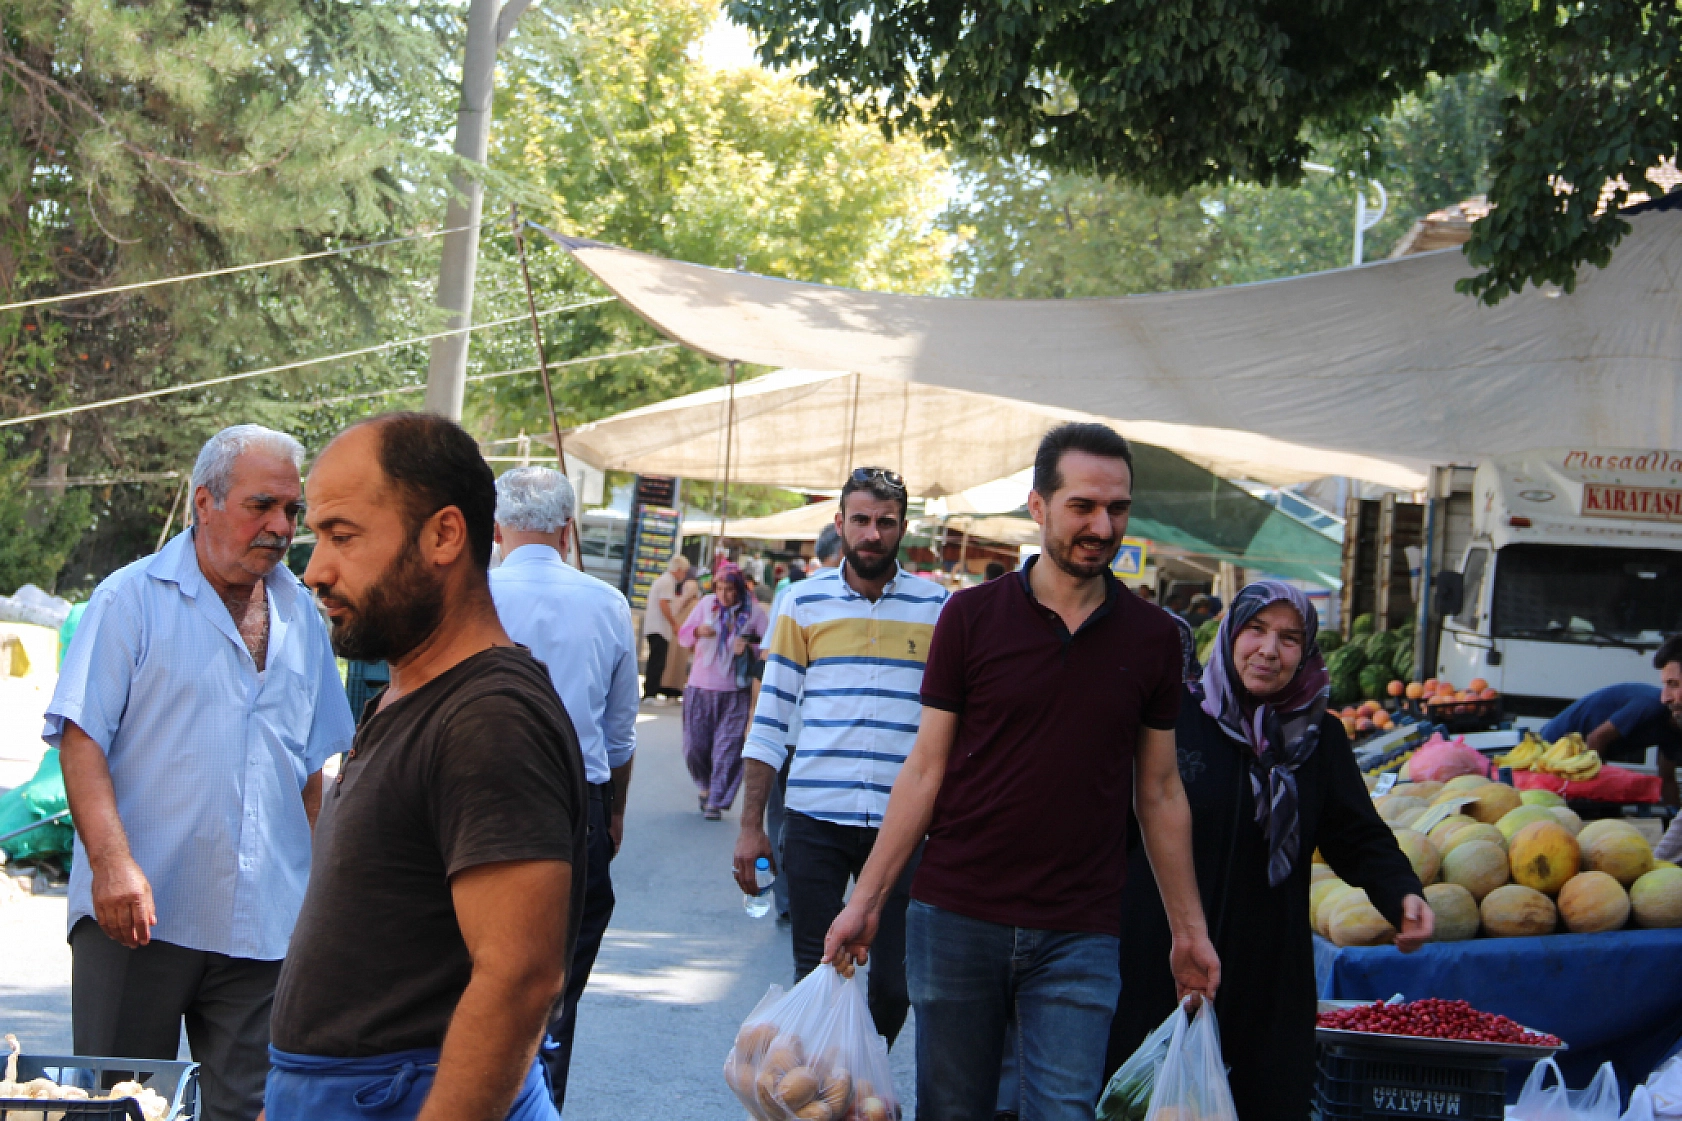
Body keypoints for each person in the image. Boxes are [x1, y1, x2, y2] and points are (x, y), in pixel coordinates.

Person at [824, 423, 1221, 1121]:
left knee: (1064, 1110)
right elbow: (926, 768)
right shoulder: (971, 617)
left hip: (1080, 929)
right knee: (951, 1109)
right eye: (1083, 506)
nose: (1104, 525)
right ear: (1038, 507)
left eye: (1118, 508)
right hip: (955, 915)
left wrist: (1188, 931)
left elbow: (1158, 791)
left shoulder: (1155, 640)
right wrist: (867, 900)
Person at [267, 413, 586, 1121]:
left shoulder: (490, 717)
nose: (315, 569)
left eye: (342, 535)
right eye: (317, 535)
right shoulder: (409, 692)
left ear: (444, 534)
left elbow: (521, 976)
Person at [43, 424, 354, 1121]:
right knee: (123, 1104)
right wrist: (112, 863)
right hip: (141, 914)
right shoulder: (132, 598)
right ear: (204, 501)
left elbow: (311, 768)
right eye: (261, 505)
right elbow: (81, 739)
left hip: (263, 923)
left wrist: (321, 893)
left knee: (254, 1108)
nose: (280, 527)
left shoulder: (302, 614)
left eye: (291, 511)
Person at [1109, 580, 1431, 1121]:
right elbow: (1112, 824)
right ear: (1231, 633)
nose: (1268, 650)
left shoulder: (1321, 739)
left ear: (1306, 652)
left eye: (1289, 638)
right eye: (1256, 630)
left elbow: (1356, 834)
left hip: (1268, 977)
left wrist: (1400, 892)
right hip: (1158, 961)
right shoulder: (1171, 719)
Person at [735, 471, 947, 1046]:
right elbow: (771, 717)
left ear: (904, 527)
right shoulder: (801, 602)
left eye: (885, 522)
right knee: (816, 970)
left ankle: (860, 1078)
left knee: (895, 985)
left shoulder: (939, 608)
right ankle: (825, 1094)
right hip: (815, 815)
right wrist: (751, 825)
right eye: (860, 520)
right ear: (840, 525)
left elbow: (953, 725)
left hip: (903, 828)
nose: (872, 534)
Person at [487, 467, 638, 1112]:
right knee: (555, 985)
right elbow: (620, 734)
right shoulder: (606, 604)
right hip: (576, 807)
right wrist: (615, 814)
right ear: (568, 529)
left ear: (495, 530)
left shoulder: (472, 593)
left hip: (477, 801)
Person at [757, 525, 845, 923]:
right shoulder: (852, 597)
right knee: (824, 821)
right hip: (825, 733)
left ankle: (789, 899)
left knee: (783, 816)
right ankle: (818, 901)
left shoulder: (792, 594)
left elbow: (769, 660)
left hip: (790, 728)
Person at [678, 564, 769, 820]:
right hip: (700, 687)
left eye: (730, 589)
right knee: (695, 748)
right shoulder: (706, 605)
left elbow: (769, 645)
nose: (725, 595)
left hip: (734, 691)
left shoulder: (753, 613)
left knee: (727, 749)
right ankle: (704, 786)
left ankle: (715, 800)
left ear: (739, 589)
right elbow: (683, 636)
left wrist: (749, 647)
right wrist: (698, 631)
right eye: (720, 588)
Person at [1540, 669, 1681, 804]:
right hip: (1556, 744)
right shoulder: (1651, 705)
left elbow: (1667, 778)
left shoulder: (1676, 730)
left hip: (1589, 752)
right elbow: (1596, 738)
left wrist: (1674, 816)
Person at [643, 554, 691, 703]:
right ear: (678, 570)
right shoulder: (667, 582)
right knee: (657, 661)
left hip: (656, 627)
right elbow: (663, 604)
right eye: (683, 572)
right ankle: (650, 693)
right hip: (659, 628)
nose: (684, 575)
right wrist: (674, 623)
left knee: (657, 660)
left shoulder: (664, 580)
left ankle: (651, 691)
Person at [660, 565, 703, 697]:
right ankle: (674, 686)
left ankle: (672, 685)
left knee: (676, 657)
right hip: (683, 625)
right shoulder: (695, 592)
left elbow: (681, 601)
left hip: (681, 624)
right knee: (678, 658)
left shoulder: (690, 586)